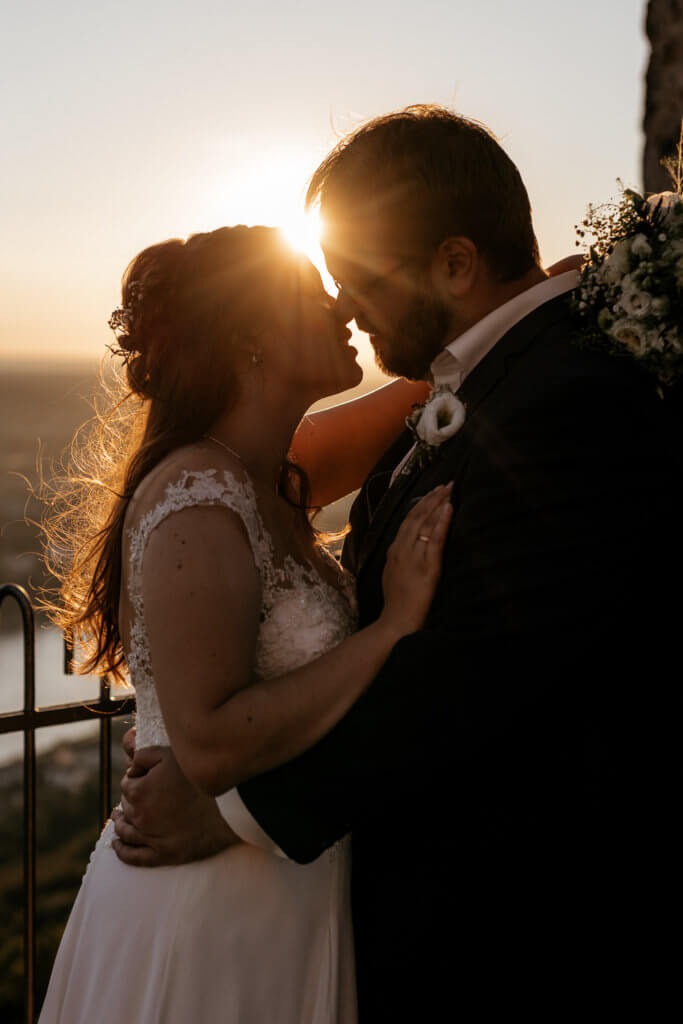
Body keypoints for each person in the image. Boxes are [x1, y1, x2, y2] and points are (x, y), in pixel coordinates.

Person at [114, 107, 681, 1018]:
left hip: (510, 931)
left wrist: (228, 809)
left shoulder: (569, 404)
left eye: (354, 278)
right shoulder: (484, 383)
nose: (342, 305)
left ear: (454, 264)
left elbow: (466, 679)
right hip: (325, 909)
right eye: (324, 284)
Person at [37, 223, 454, 1023]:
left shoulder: (270, 473)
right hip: (209, 908)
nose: (339, 307)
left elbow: (434, 386)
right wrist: (388, 627)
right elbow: (210, 742)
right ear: (251, 337)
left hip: (285, 883)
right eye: (311, 293)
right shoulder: (198, 492)